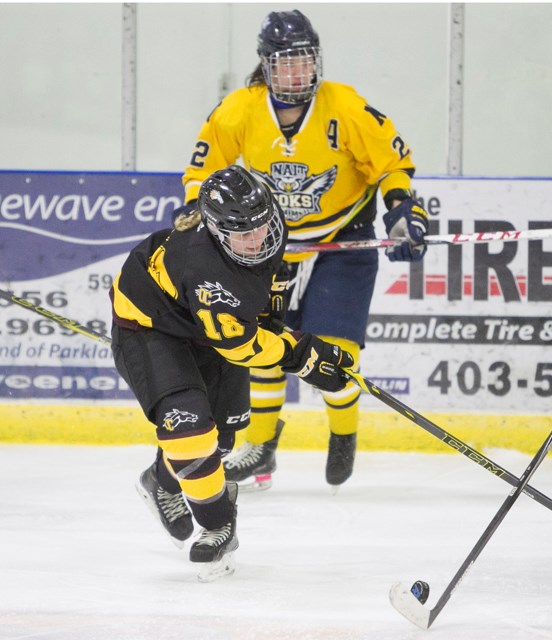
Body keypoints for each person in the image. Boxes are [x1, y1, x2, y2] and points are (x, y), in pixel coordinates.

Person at [176, 9, 428, 492]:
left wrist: (402, 210)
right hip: (271, 244)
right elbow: (202, 168)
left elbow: (393, 164)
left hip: (343, 237)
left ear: (317, 62)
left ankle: (343, 435)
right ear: (266, 67)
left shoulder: (347, 107)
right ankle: (261, 447)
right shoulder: (238, 109)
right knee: (264, 344)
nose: (297, 72)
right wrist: (194, 205)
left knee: (334, 351)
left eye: (305, 61)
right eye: (286, 63)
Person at [111, 165, 354, 580]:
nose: (258, 239)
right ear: (217, 231)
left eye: (262, 227)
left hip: (205, 325)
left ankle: (161, 480)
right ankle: (217, 524)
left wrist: (278, 324)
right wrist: (304, 357)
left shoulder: (262, 225)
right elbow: (240, 347)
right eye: (243, 234)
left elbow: (259, 300)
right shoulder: (206, 267)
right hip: (151, 330)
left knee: (219, 440)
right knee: (188, 428)